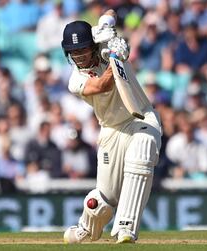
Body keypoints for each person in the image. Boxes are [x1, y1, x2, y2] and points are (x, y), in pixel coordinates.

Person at [61, 9, 162, 244]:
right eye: (74, 52)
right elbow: (101, 86)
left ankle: (126, 227)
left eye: (83, 49)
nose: (80, 56)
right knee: (102, 202)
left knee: (143, 148)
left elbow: (110, 12)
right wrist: (116, 58)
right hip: (111, 130)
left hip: (141, 118)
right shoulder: (75, 81)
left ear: (92, 45)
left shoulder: (102, 40)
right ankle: (87, 228)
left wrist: (110, 29)